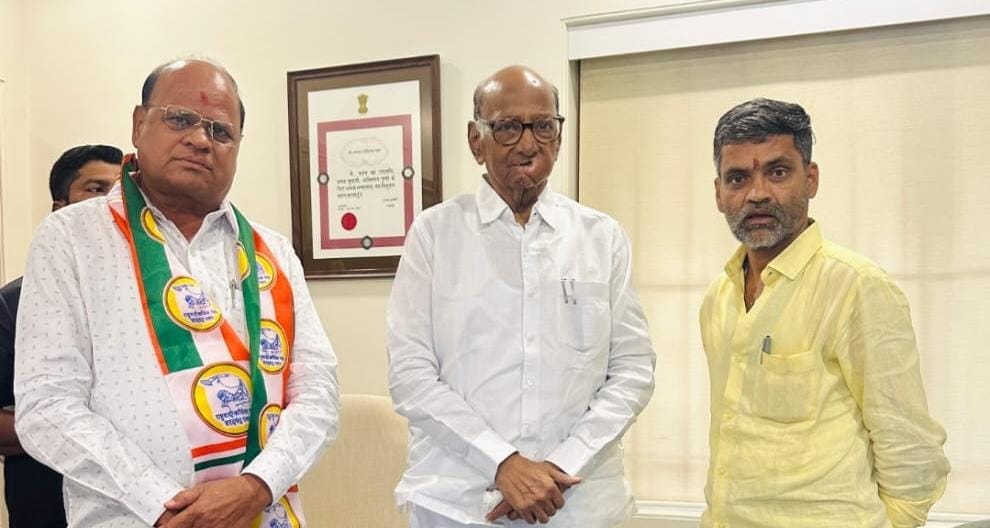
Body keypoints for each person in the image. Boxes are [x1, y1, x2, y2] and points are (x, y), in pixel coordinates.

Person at [13, 58, 340, 527]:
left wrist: (256, 484)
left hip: (260, 512)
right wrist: (168, 506)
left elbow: (318, 393)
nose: (201, 139)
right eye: (180, 119)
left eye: (221, 131)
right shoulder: (72, 239)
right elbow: (46, 406)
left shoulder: (273, 253)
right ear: (138, 124)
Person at [387, 65, 656, 527]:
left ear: (559, 136)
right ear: (476, 141)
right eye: (508, 127)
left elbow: (633, 368)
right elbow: (410, 375)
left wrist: (564, 464)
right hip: (459, 505)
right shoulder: (434, 235)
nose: (528, 144)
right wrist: (502, 463)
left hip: (579, 504)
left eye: (543, 126)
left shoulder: (601, 237)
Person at [700, 97, 950, 527]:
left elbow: (911, 447)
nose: (757, 194)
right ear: (719, 194)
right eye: (737, 178)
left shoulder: (856, 286)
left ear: (811, 179)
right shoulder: (719, 297)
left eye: (778, 172)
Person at [0, 144, 122, 528]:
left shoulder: (160, 298)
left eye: (122, 190)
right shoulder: (13, 303)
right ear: (60, 208)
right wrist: (61, 420)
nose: (111, 201)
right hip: (49, 508)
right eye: (97, 189)